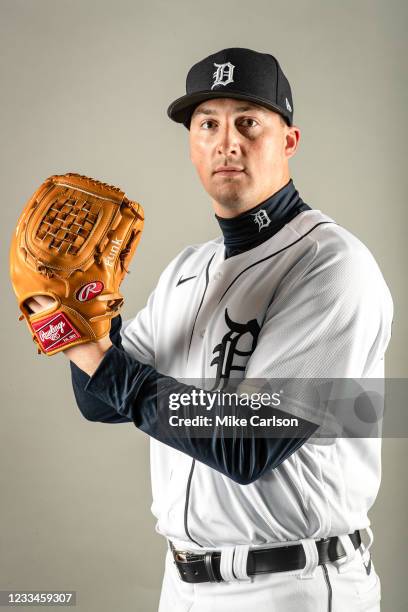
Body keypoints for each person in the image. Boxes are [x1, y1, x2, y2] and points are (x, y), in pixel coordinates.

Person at [27, 47, 393, 611]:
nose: (227, 141)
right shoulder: (186, 270)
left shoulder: (332, 264)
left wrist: (96, 349)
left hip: (294, 583)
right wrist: (79, 312)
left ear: (288, 141)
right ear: (192, 143)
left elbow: (250, 442)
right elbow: (100, 399)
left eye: (248, 122)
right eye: (208, 124)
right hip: (182, 585)